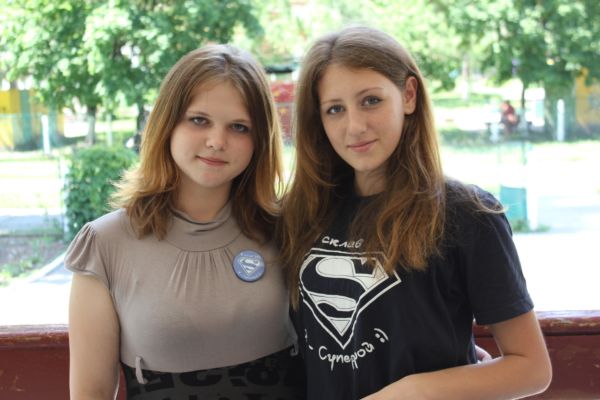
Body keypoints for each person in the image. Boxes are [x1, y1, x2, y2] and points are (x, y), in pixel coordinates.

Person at [278, 26, 552, 399]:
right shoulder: (300, 213)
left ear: (408, 95)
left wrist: (415, 389)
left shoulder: (468, 214)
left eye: (371, 100)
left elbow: (531, 368)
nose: (354, 126)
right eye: (335, 109)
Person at [66, 44, 304, 399]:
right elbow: (92, 394)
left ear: (260, 140)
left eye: (239, 127)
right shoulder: (105, 245)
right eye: (199, 120)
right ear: (167, 123)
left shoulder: (289, 228)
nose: (217, 141)